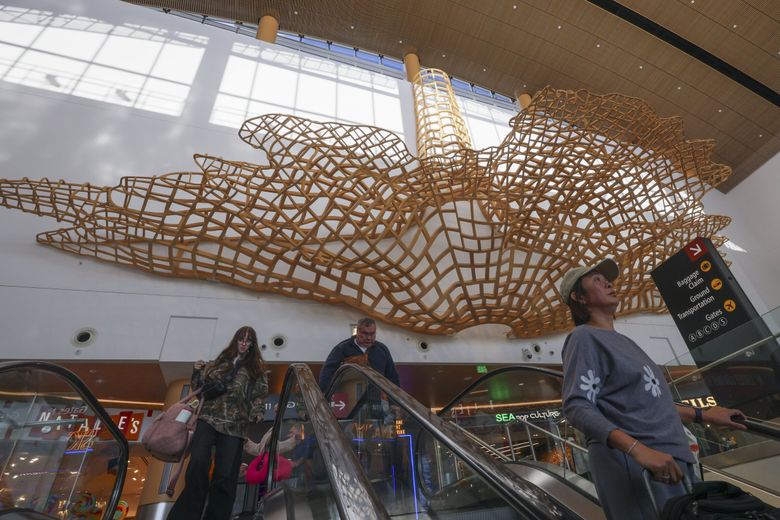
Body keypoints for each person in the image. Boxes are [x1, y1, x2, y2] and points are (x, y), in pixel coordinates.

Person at [559, 259, 746, 519]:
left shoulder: (624, 342)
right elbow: (576, 406)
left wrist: (704, 415)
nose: (608, 283)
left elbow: (647, 403)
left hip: (671, 462)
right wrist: (638, 449)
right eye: (597, 281)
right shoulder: (584, 338)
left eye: (607, 279)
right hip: (640, 467)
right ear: (580, 297)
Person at [168, 326, 268, 520]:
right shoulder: (220, 362)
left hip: (235, 425)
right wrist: (196, 372)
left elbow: (260, 395)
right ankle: (187, 515)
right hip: (208, 418)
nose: (244, 342)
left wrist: (257, 412)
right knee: (197, 463)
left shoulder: (256, 368)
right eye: (241, 338)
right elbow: (200, 388)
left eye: (248, 340)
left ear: (252, 344)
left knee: (225, 475)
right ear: (235, 340)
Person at [318, 317, 400, 392]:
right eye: (365, 333)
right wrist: (327, 395)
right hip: (350, 398)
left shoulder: (382, 349)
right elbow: (327, 374)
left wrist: (395, 402)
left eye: (372, 334)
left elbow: (392, 377)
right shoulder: (342, 349)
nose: (369, 338)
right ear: (357, 331)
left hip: (378, 399)